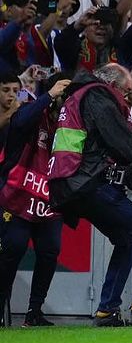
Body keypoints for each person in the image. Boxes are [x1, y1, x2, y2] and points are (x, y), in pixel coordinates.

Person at [46, 64, 132, 326]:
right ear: (113, 86)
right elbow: (125, 145)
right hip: (86, 183)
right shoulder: (98, 96)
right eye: (127, 92)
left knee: (126, 240)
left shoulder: (79, 96)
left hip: (70, 184)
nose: (128, 99)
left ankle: (106, 310)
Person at [0, 73, 70, 327]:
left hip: (49, 200)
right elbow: (18, 123)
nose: (68, 102)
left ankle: (34, 312)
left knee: (50, 251)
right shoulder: (29, 113)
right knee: (13, 249)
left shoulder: (72, 122)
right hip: (17, 196)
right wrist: (48, 95)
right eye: (64, 96)